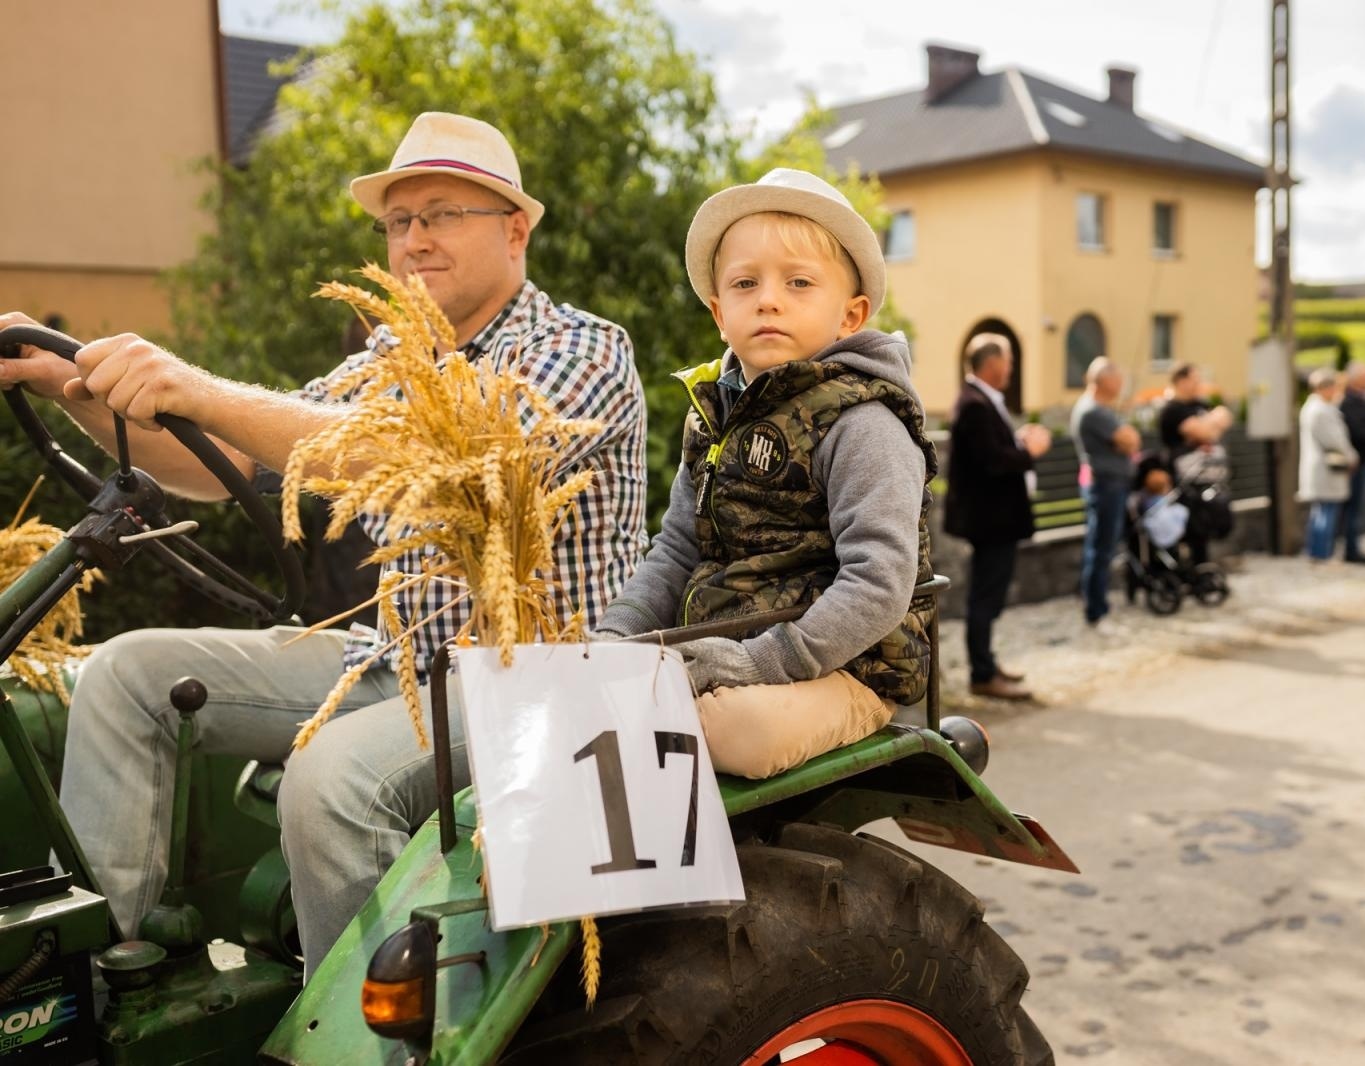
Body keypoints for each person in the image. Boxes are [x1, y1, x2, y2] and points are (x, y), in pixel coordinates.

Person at [0, 112, 649, 975]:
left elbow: (418, 455)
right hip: (395, 658)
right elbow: (222, 457)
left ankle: (369, 1038)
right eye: (398, 222)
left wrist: (193, 383)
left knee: (330, 782)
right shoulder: (390, 354)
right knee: (123, 675)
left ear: (515, 229)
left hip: (532, 675)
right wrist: (70, 386)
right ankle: (84, 981)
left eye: (442, 214)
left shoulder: (582, 351)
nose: (415, 239)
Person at [593, 168, 936, 776]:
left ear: (851, 314)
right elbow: (675, 550)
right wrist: (619, 637)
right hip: (730, 652)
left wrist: (761, 664)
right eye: (746, 283)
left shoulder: (863, 422)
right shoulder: (715, 417)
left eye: (799, 282)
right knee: (597, 706)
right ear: (720, 312)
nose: (768, 299)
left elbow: (879, 580)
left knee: (730, 730)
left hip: (845, 667)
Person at [943, 333, 1051, 700]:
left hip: (993, 520)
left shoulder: (980, 400)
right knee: (985, 597)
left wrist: (1016, 442)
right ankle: (983, 674)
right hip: (990, 521)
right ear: (993, 365)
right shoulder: (974, 404)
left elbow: (993, 449)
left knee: (989, 596)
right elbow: (993, 462)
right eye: (1009, 362)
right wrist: (1030, 451)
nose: (1011, 369)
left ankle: (988, 662)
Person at [1070, 357, 1140, 627]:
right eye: (1118, 376)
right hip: (1106, 486)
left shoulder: (1099, 409)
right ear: (1104, 380)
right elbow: (1131, 440)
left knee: (1102, 546)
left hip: (1109, 484)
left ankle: (1096, 603)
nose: (1122, 382)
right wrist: (1126, 442)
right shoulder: (1093, 411)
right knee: (1101, 547)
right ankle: (1096, 608)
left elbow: (1130, 441)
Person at [1157, 363, 1233, 564]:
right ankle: (1192, 571)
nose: (1199, 383)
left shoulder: (1200, 404)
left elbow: (1224, 416)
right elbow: (1206, 432)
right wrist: (1209, 430)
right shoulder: (1172, 410)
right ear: (1180, 381)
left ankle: (1202, 571)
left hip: (1207, 479)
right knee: (1191, 528)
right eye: (1194, 379)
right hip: (1183, 481)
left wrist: (1206, 431)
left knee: (1208, 524)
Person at [1298, 368, 1356, 563]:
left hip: (1322, 468)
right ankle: (1322, 554)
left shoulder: (1316, 408)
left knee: (1321, 511)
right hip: (1326, 468)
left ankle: (1317, 552)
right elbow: (1335, 440)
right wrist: (1351, 455)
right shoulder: (1319, 410)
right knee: (1326, 513)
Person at [1336, 362, 1365, 565]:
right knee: (1354, 508)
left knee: (1360, 508)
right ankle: (1351, 549)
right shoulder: (1348, 403)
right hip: (1359, 463)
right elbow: (1358, 432)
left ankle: (1354, 547)